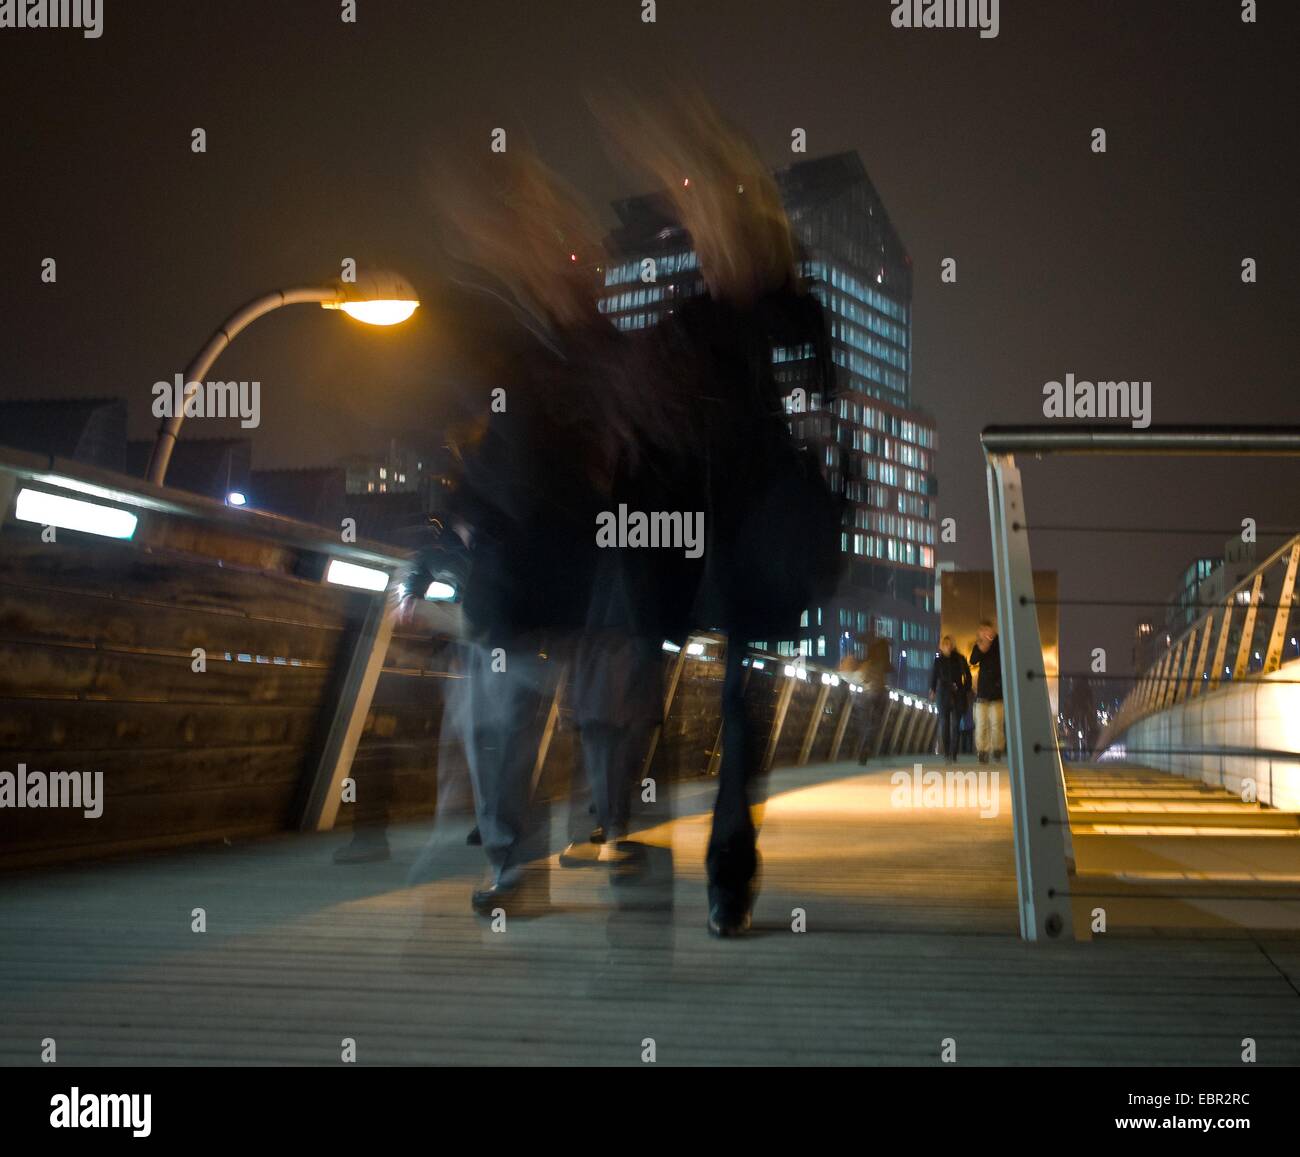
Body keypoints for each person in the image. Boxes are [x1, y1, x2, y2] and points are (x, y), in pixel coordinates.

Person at [928, 635, 971, 762]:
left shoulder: (960, 659)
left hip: (957, 693)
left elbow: (967, 675)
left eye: (948, 644)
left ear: (952, 645)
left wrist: (965, 688)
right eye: (944, 644)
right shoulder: (938, 661)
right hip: (943, 694)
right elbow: (934, 676)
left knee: (956, 725)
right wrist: (933, 690)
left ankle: (954, 754)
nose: (946, 646)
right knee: (944, 723)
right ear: (941, 646)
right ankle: (947, 752)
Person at [968, 620, 1005, 763]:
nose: (985, 633)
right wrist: (982, 647)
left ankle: (997, 749)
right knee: (981, 724)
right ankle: (982, 751)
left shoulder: (1000, 643)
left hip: (997, 691)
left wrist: (991, 643)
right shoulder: (978, 645)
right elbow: (973, 660)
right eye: (982, 630)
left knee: (997, 723)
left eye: (987, 630)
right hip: (982, 691)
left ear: (992, 630)